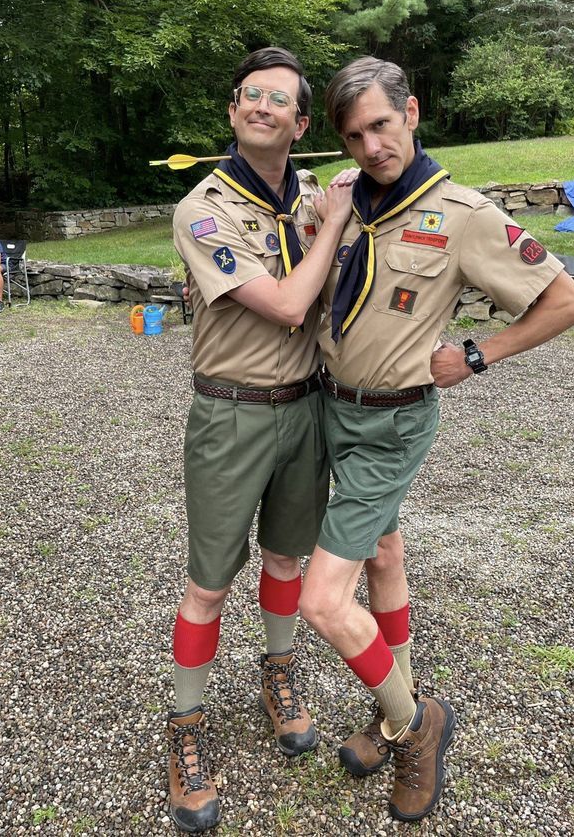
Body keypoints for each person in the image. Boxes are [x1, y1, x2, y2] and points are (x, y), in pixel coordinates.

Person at [298, 57, 574, 823]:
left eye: (382, 125)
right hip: (334, 410)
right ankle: (398, 697)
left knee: (323, 601)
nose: (370, 146)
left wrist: (475, 354)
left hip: (392, 423)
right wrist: (318, 222)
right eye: (355, 134)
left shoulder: (463, 213)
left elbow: (567, 301)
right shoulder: (346, 205)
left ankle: (415, 725)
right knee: (383, 554)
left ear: (413, 112)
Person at [169, 47, 352, 833]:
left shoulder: (313, 192)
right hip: (231, 413)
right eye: (250, 94)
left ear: (301, 122)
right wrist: (338, 222)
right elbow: (283, 304)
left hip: (305, 407)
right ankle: (185, 726)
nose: (262, 105)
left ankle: (279, 672)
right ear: (235, 111)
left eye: (279, 98)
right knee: (209, 582)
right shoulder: (202, 209)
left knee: (286, 558)